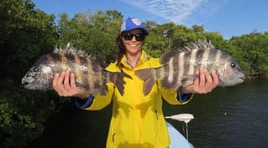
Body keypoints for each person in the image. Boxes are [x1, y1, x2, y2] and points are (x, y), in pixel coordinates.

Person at [52, 17, 219, 148]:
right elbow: (100, 100)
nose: (134, 39)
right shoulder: (111, 69)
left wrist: (189, 89)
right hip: (121, 144)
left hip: (156, 144)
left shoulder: (157, 65)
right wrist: (81, 93)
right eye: (128, 35)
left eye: (139, 35)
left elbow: (170, 95)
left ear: (143, 38)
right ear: (121, 38)